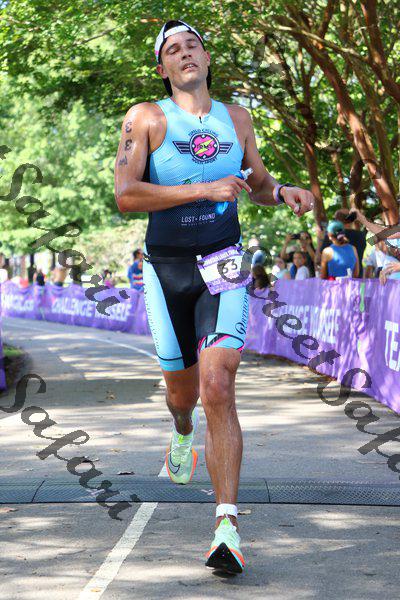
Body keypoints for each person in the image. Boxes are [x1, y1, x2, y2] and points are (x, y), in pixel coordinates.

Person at [114, 18, 314, 575]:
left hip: (224, 260)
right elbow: (126, 195)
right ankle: (182, 433)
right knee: (182, 394)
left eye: (192, 46)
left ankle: (226, 525)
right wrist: (204, 188)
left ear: (206, 58)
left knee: (218, 384)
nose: (184, 54)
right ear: (162, 67)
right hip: (167, 268)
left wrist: (283, 191)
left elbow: (258, 183)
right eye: (173, 50)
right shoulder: (145, 118)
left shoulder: (238, 118)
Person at [318, 208, 366, 275]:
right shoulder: (361, 235)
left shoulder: (332, 236)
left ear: (337, 221)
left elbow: (319, 258)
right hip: (356, 277)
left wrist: (319, 239)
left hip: (335, 279)